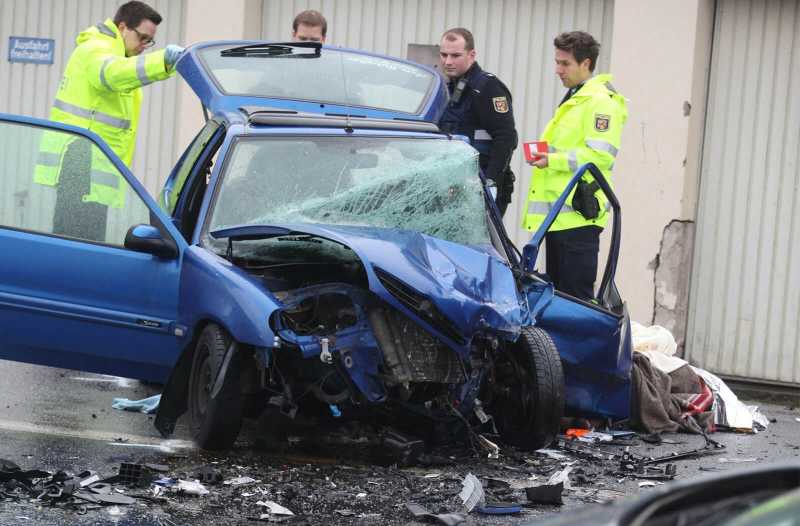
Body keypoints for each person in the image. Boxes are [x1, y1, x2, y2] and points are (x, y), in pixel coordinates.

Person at [34, 1, 184, 241]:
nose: (145, 46)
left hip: (91, 162)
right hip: (81, 160)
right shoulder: (96, 48)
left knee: (84, 242)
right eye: (142, 38)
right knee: (77, 244)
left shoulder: (114, 53)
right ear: (123, 27)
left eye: (150, 41)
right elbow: (112, 75)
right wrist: (162, 62)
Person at [523, 31, 628, 301]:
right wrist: (546, 153)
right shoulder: (577, 97)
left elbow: (600, 155)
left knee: (576, 301)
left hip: (578, 217)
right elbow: (572, 146)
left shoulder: (599, 102)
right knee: (557, 299)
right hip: (560, 218)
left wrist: (552, 159)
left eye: (565, 63)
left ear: (586, 63)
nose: (558, 70)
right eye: (557, 62)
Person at [437, 28, 517, 216]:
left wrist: (491, 182)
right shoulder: (448, 87)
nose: (448, 61)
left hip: (480, 185)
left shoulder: (486, 87)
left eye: (455, 55)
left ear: (471, 55)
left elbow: (506, 137)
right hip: (454, 183)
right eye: (444, 55)